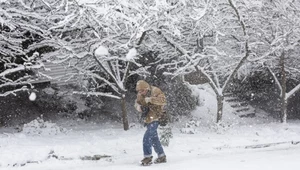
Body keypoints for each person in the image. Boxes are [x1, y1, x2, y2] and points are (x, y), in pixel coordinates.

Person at [134, 80, 167, 165]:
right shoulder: (140, 95)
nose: (141, 93)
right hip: (148, 118)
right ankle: (161, 156)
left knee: (147, 137)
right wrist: (139, 107)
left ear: (147, 88)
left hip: (156, 117)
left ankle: (147, 157)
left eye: (142, 90)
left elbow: (163, 100)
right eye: (139, 91)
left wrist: (151, 100)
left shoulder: (155, 90)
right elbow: (136, 103)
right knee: (154, 138)